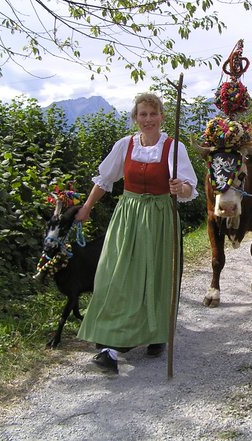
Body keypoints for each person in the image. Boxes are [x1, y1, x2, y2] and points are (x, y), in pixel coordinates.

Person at [74, 93, 198, 374]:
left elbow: (190, 188)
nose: (148, 120)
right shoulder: (124, 145)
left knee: (153, 275)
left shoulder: (173, 148)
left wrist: (182, 189)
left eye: (153, 114)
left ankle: (155, 334)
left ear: (162, 117)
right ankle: (111, 334)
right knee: (114, 274)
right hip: (128, 215)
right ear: (135, 118)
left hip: (159, 217)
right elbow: (105, 180)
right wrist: (86, 208)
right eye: (143, 114)